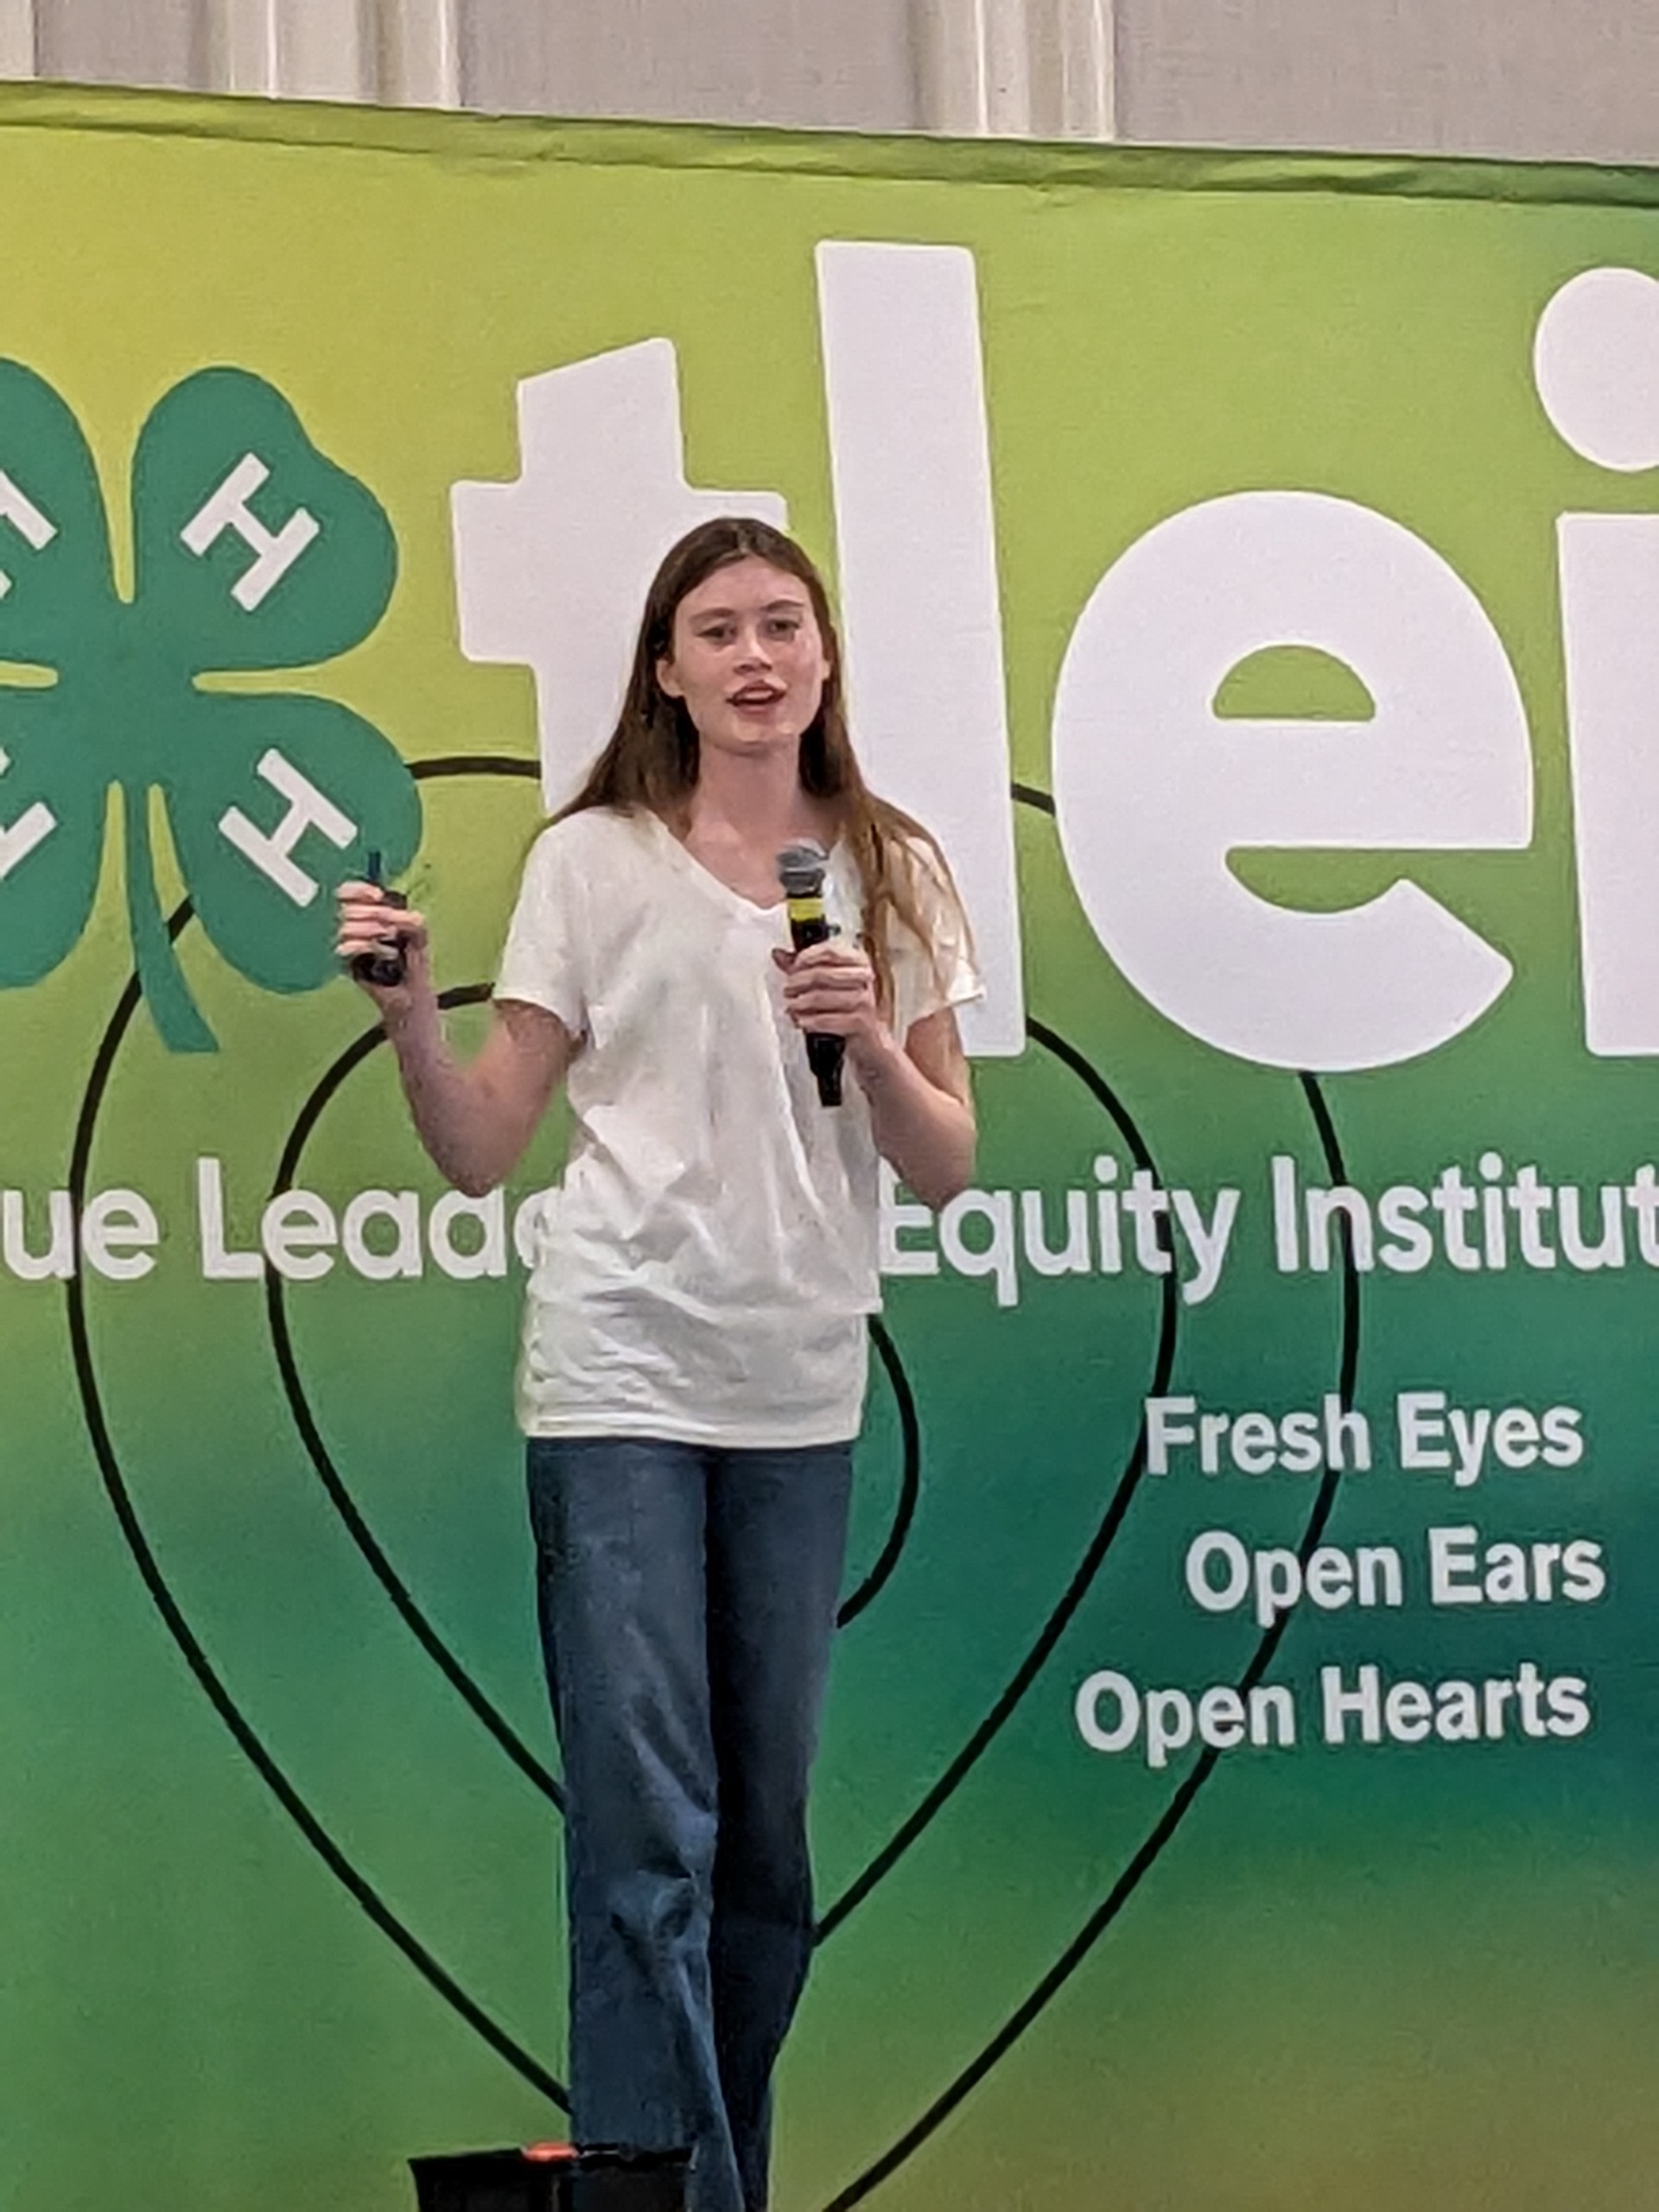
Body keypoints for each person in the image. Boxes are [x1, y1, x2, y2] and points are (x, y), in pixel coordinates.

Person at [335, 516, 980, 2212]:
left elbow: (945, 1161)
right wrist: (409, 1014)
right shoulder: (594, 863)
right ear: (666, 670)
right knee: (646, 1840)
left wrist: (865, 1036)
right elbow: (484, 1144)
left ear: (825, 656)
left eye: (784, 624)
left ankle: (708, 2182)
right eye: (719, 630)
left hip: (800, 1392)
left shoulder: (895, 867)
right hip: (619, 1372)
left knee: (761, 1856)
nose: (756, 656)